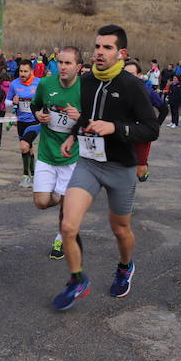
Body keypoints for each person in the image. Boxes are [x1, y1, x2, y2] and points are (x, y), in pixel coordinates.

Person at [52, 24, 159, 311]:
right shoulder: (85, 82)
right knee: (67, 225)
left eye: (107, 47)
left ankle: (125, 266)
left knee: (120, 229)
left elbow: (151, 129)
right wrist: (73, 135)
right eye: (97, 46)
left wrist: (116, 128)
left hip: (120, 167)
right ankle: (77, 280)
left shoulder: (133, 86)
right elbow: (86, 115)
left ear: (121, 53)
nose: (99, 52)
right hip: (88, 163)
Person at [30, 46, 83, 260]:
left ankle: (60, 237)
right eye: (60, 62)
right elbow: (35, 106)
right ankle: (60, 197)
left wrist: (79, 116)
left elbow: (91, 122)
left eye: (68, 63)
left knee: (67, 203)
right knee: (41, 202)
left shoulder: (84, 89)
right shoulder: (45, 83)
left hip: (71, 156)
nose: (62, 67)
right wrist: (38, 115)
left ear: (78, 67)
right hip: (46, 153)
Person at [125, 60, 168, 180]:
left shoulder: (147, 90)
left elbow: (164, 109)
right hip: (123, 132)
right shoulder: (119, 89)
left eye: (132, 73)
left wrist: (155, 126)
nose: (128, 77)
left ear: (139, 75)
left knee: (140, 173)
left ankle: (143, 170)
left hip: (142, 134)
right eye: (125, 73)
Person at [5, 60, 40, 188]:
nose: (22, 74)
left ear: (31, 71)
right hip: (21, 121)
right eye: (21, 71)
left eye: (25, 71)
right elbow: (7, 103)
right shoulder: (14, 84)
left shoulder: (39, 83)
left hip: (35, 121)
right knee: (28, 148)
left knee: (24, 146)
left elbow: (46, 100)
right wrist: (13, 102)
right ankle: (34, 176)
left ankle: (26, 176)